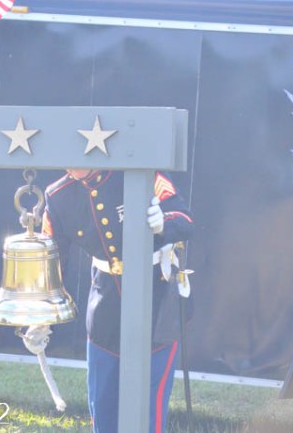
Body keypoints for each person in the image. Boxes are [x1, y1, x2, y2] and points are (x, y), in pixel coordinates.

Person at [40, 169, 193, 433]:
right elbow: (53, 262)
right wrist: (41, 315)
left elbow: (185, 219)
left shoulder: (142, 173)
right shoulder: (58, 195)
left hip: (156, 298)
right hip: (105, 306)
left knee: (150, 407)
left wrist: (164, 223)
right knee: (103, 402)